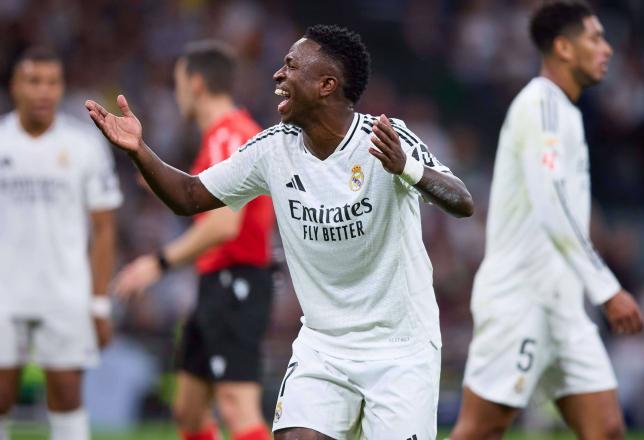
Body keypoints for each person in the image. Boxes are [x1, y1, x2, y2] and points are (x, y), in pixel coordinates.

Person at [86, 24, 474, 440]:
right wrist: (139, 151)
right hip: (324, 345)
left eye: (291, 66)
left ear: (327, 84)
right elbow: (189, 195)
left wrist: (406, 168)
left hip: (400, 347)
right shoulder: (273, 148)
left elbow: (462, 201)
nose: (277, 75)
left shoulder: (383, 139)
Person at [450, 2, 644, 439]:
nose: (607, 49)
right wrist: (607, 288)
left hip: (562, 303)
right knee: (482, 428)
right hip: (521, 298)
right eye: (595, 38)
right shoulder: (542, 106)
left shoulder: (566, 112)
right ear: (563, 47)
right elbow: (551, 203)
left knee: (607, 428)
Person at [113, 41, 274, 440]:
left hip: (235, 281)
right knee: (188, 408)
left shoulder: (227, 137)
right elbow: (210, 204)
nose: (177, 92)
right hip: (217, 284)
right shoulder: (227, 136)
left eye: (178, 82)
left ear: (197, 83)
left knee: (237, 406)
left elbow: (223, 226)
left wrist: (157, 263)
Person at [0, 47, 122, 440]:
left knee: (67, 394)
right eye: (34, 81)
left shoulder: (85, 145)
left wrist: (99, 302)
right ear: (14, 86)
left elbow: (104, 227)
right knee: (0, 395)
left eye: (52, 83)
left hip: (65, 291)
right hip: (4, 290)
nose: (43, 92)